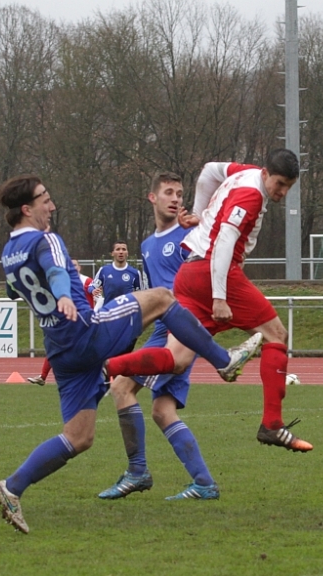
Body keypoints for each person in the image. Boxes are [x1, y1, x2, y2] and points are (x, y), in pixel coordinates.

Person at [0, 174, 262, 533]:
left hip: (60, 349)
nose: (51, 206)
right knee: (163, 298)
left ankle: (12, 487)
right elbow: (54, 269)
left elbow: (13, 291)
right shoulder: (45, 238)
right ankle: (225, 362)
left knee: (79, 437)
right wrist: (65, 294)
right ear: (27, 208)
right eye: (45, 200)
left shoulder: (9, 253)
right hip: (85, 331)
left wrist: (50, 296)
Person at [105, 149, 313, 453]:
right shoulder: (251, 196)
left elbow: (210, 170)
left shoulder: (243, 172)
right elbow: (225, 242)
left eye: (288, 187)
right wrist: (219, 297)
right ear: (266, 174)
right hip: (213, 273)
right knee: (277, 335)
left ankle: (105, 366)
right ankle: (272, 424)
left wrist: (199, 216)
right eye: (279, 184)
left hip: (188, 274)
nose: (281, 192)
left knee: (177, 360)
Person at [99, 172, 220, 501]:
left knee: (121, 387)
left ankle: (138, 472)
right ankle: (204, 483)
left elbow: (209, 270)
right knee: (162, 410)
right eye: (169, 192)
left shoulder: (190, 235)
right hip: (164, 329)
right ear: (152, 197)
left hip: (181, 330)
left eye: (180, 193)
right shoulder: (148, 244)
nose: (176, 198)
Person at [27, 259, 99, 386]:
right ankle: (43, 376)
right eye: (70, 265)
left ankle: (100, 377)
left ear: (80, 267)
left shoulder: (86, 281)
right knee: (56, 346)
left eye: (75, 265)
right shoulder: (63, 281)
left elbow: (95, 293)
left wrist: (95, 296)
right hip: (68, 320)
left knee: (91, 350)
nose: (73, 267)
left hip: (85, 322)